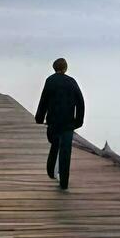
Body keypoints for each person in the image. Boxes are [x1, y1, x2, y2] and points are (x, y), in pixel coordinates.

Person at [35, 57, 85, 190]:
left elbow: (44, 100)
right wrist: (79, 121)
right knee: (66, 151)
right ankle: (64, 182)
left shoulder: (50, 81)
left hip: (53, 121)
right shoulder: (72, 82)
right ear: (65, 68)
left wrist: (39, 118)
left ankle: (51, 170)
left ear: (54, 68)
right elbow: (80, 102)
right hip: (68, 123)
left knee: (55, 143)